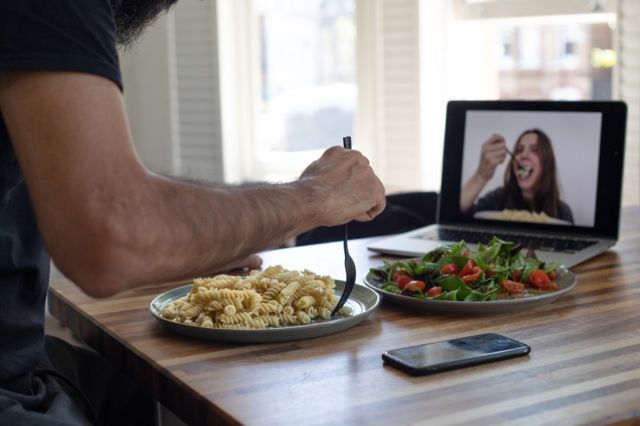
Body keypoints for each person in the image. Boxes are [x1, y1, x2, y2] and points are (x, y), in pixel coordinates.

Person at [0, 1, 386, 424]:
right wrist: (314, 197)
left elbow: (75, 186)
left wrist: (197, 235)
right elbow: (112, 234)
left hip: (22, 359)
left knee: (134, 387)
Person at [459, 129, 574, 223]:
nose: (523, 155)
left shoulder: (562, 211)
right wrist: (480, 176)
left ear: (547, 163)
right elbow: (456, 216)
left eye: (535, 150)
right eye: (519, 150)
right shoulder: (496, 199)